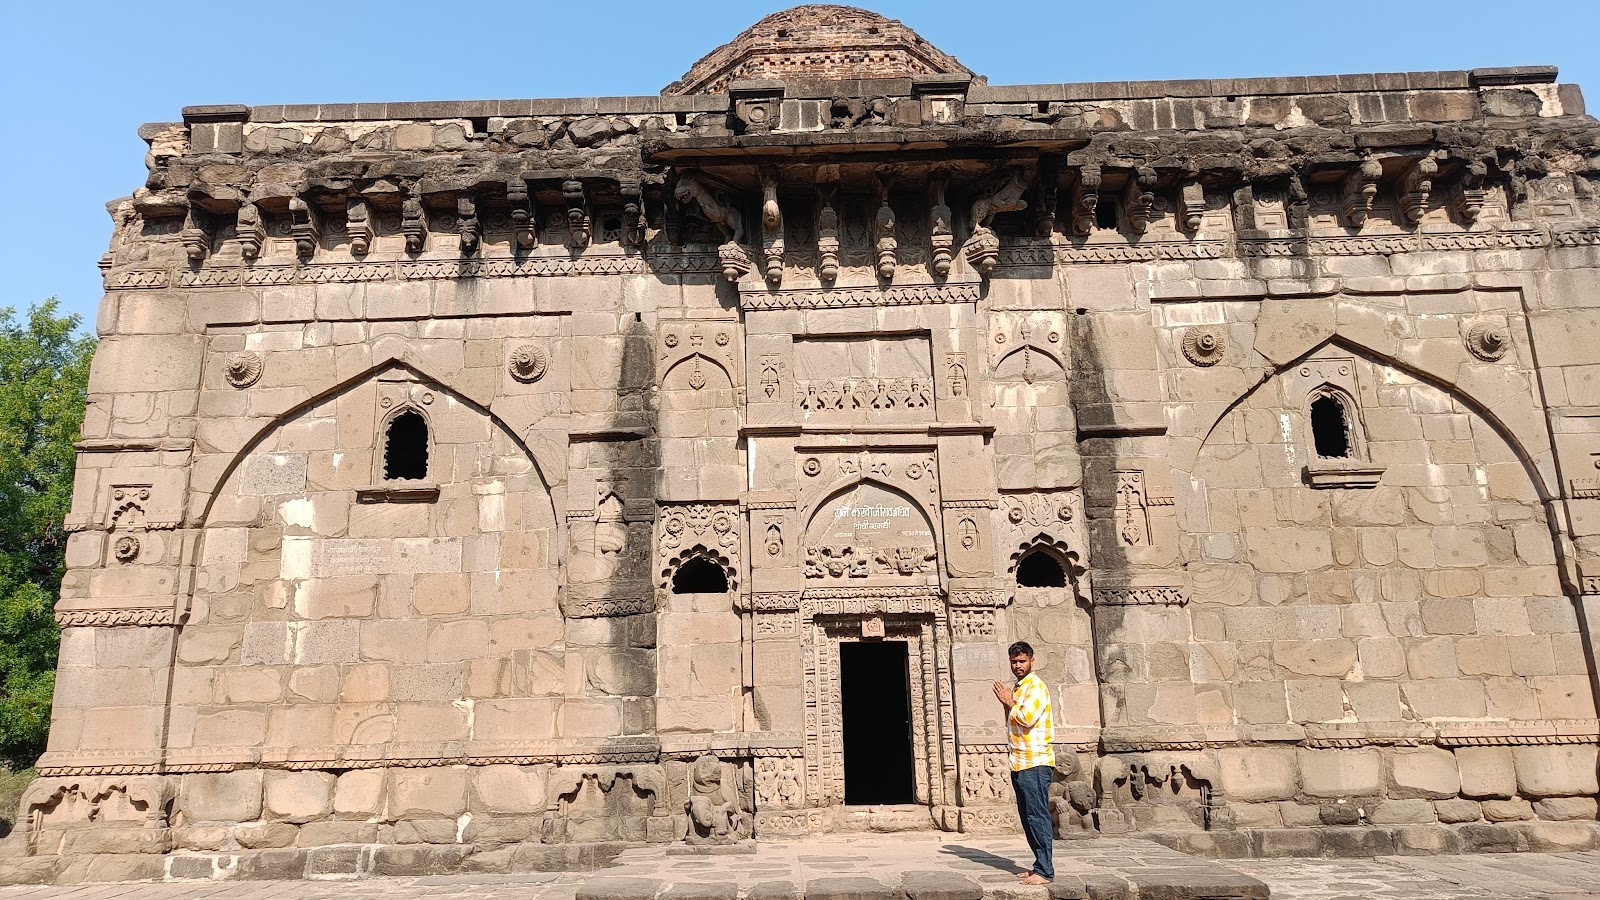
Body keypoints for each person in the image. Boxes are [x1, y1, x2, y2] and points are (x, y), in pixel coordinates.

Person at [992, 641, 1054, 885]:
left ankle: (1046, 871)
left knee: (1037, 815)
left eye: (1022, 661)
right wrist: (1007, 701)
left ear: (1032, 661)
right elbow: (1012, 722)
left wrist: (1009, 700)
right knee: (1028, 816)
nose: (1017, 665)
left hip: (1035, 762)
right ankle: (1039, 865)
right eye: (1014, 661)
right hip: (1020, 760)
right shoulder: (1020, 689)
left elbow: (1027, 718)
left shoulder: (1036, 687)